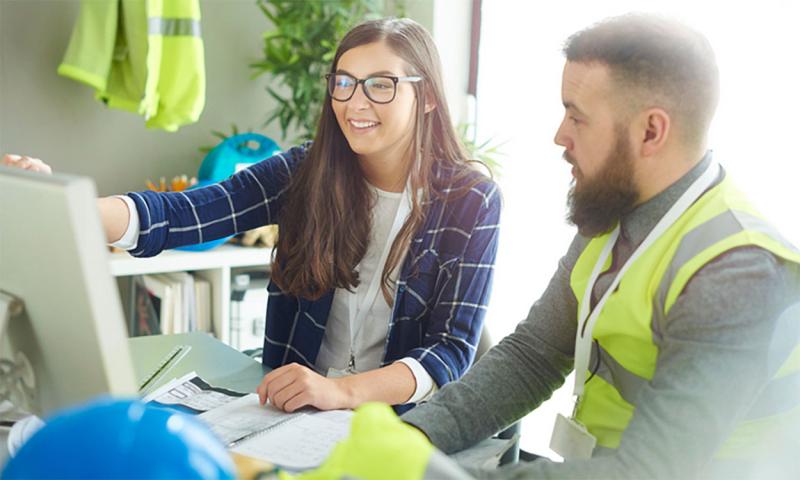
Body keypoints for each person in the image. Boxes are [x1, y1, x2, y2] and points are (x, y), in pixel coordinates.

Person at [2, 18, 501, 415]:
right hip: (290, 415)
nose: (354, 102)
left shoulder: (472, 200)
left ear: (429, 96)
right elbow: (184, 213)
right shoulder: (308, 170)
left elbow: (450, 352)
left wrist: (341, 391)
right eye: (344, 83)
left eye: (381, 85)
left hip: (396, 425)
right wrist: (64, 205)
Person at [396, 13, 800, 479]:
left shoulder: (738, 270)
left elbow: (651, 471)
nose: (559, 135)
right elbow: (533, 355)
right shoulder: (617, 210)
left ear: (651, 131)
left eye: (577, 116)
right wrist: (414, 439)